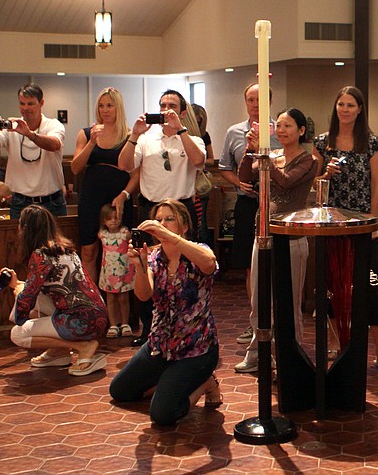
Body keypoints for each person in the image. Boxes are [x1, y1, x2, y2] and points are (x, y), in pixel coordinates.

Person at [109, 199, 221, 426]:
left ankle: (205, 382)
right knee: (120, 390)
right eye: (158, 219)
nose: (162, 224)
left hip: (196, 349)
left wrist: (170, 237)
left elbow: (209, 263)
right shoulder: (153, 257)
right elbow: (143, 295)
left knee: (162, 415)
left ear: (184, 226)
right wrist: (139, 266)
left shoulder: (199, 251)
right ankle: (170, 381)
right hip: (160, 346)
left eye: (170, 219)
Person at [313, 86, 378, 373]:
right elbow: (315, 185)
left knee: (369, 288)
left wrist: (371, 222)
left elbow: (377, 183)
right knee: (332, 288)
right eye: (341, 104)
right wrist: (326, 174)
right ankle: (339, 344)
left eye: (351, 105)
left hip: (362, 226)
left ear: (360, 110)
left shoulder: (371, 143)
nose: (345, 109)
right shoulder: (322, 142)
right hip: (332, 224)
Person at [118, 89, 206, 347]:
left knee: (185, 269)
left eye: (172, 106)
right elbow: (124, 165)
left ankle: (186, 326)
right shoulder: (146, 137)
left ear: (181, 111)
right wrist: (134, 134)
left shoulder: (191, 137)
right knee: (147, 266)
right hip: (151, 209)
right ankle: (149, 330)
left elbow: (200, 161)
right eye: (162, 105)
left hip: (181, 210)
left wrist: (181, 131)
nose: (166, 110)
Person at [235, 108, 316, 372]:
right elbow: (245, 176)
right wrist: (250, 150)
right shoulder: (273, 155)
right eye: (278, 126)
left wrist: (265, 155)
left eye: (288, 126)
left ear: (301, 131)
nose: (281, 131)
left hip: (291, 236)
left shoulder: (308, 161)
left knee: (289, 301)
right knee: (259, 297)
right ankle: (257, 352)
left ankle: (289, 355)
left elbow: (284, 182)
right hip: (263, 233)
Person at [6, 205, 109, 376]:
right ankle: (58, 352)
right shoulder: (65, 249)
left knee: (18, 334)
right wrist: (19, 285)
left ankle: (83, 347)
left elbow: (24, 303)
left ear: (26, 229)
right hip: (96, 315)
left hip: (82, 322)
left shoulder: (41, 255)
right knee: (34, 302)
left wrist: (16, 288)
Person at [218, 82, 280, 346]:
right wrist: (237, 182)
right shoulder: (234, 132)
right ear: (246, 103)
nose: (255, 105)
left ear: (269, 101)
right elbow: (224, 167)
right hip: (247, 204)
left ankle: (277, 322)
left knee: (277, 265)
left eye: (260, 99)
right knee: (250, 266)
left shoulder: (281, 130)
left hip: (276, 205)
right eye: (251, 100)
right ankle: (255, 321)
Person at [71, 87, 139, 284]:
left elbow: (136, 176)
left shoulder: (129, 136)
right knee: (89, 250)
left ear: (118, 107)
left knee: (118, 250)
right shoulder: (86, 134)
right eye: (101, 106)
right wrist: (92, 142)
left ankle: (121, 302)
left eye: (109, 105)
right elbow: (75, 167)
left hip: (116, 198)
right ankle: (91, 303)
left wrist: (123, 195)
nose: (105, 110)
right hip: (91, 196)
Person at [0, 83, 67, 219]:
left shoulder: (53, 125)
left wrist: (29, 134)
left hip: (52, 202)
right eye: (22, 104)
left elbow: (54, 144)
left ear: (41, 103)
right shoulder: (11, 126)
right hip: (20, 202)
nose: (25, 108)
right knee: (21, 241)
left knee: (57, 240)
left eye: (30, 104)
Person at [97, 203, 135, 339]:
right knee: (111, 298)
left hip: (123, 271)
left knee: (124, 298)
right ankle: (113, 324)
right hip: (108, 272)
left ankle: (125, 323)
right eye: (110, 218)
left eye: (116, 217)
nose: (113, 221)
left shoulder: (125, 233)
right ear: (104, 221)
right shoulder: (102, 235)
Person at [188, 103, 214, 244]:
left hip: (198, 183)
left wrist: (199, 160)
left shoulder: (203, 136)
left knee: (201, 222)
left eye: (200, 122)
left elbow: (211, 159)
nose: (197, 125)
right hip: (184, 181)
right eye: (195, 121)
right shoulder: (183, 136)